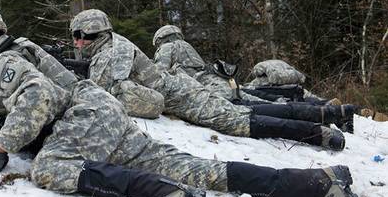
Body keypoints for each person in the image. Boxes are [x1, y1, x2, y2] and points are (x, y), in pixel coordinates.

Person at [0, 1, 363, 197]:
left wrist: (1, 146)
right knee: (197, 169)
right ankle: (317, 183)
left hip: (82, 118)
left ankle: (163, 194)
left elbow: (36, 97)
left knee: (48, 169)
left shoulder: (4, 58)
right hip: (97, 119)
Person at [70, 9, 346, 150]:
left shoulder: (113, 52)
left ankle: (320, 131)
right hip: (189, 87)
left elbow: (111, 93)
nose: (75, 42)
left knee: (241, 120)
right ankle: (325, 113)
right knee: (244, 108)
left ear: (86, 33)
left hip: (184, 95)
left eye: (76, 36)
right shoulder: (112, 46)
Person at [152, 25, 356, 133]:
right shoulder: (187, 46)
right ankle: (324, 111)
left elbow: (158, 73)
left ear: (160, 39)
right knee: (261, 100)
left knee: (255, 107)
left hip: (203, 87)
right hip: (216, 80)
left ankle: (320, 115)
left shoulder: (167, 48)